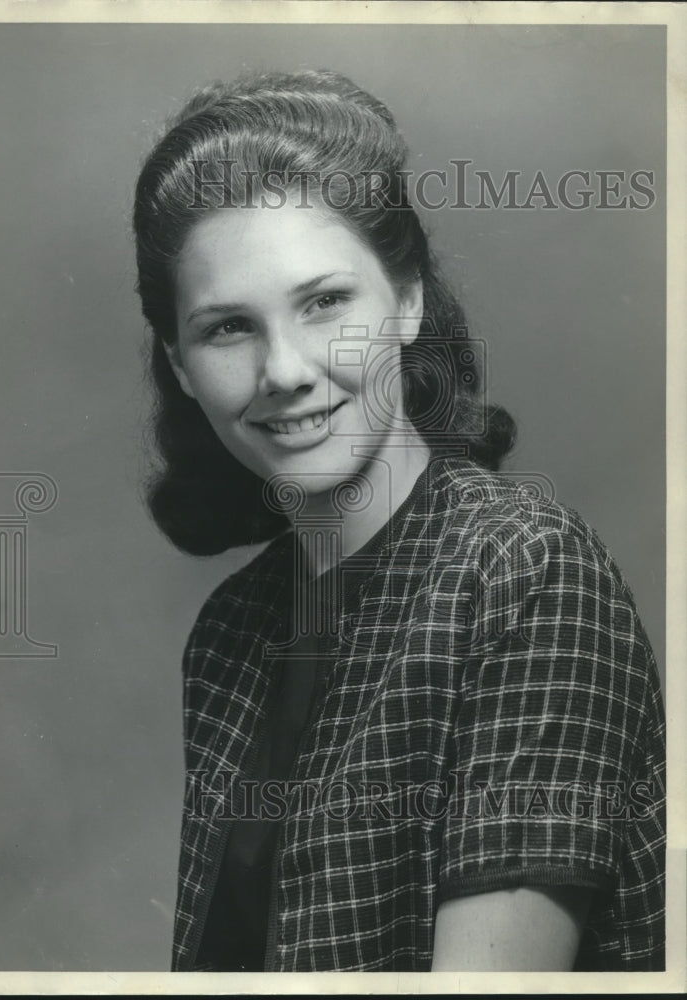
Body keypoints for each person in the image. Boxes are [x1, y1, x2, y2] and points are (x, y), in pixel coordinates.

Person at [132, 70, 666, 972]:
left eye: (324, 302)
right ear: (181, 366)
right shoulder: (227, 637)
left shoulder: (523, 569)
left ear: (409, 300)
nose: (286, 369)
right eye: (228, 327)